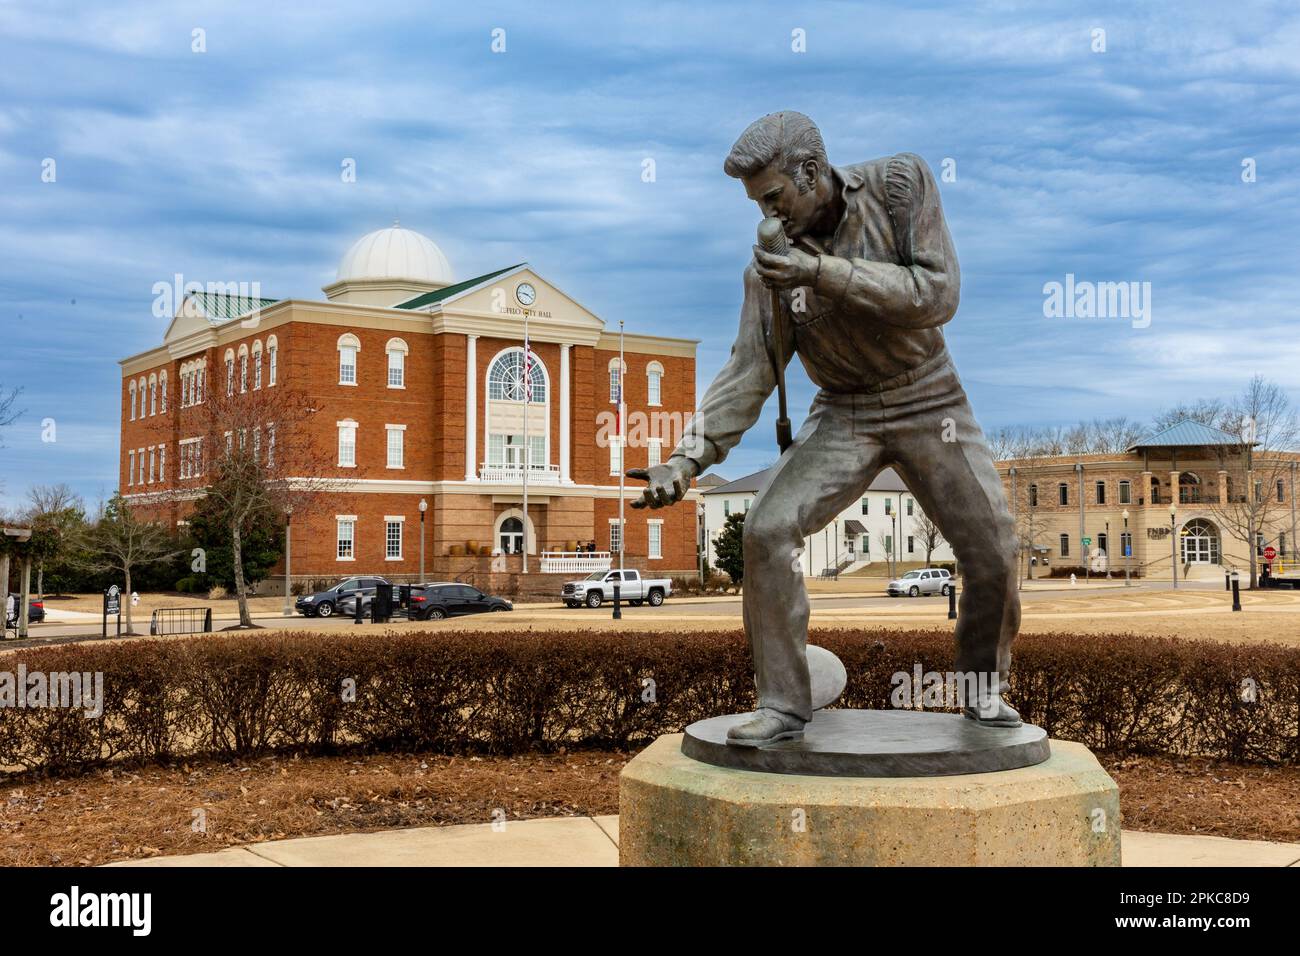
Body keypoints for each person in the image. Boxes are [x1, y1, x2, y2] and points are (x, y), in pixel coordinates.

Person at [628, 111, 1021, 746]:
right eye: (756, 202)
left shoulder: (901, 186)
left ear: (812, 172)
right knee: (765, 527)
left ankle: (983, 692)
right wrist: (687, 459)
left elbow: (936, 292)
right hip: (843, 411)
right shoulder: (768, 271)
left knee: (993, 549)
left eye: (774, 197)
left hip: (930, 397)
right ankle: (784, 704)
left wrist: (820, 273)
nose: (766, 216)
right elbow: (750, 371)